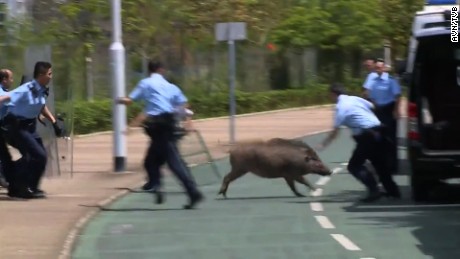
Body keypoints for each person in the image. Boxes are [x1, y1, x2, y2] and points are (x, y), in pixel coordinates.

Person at [118, 61, 204, 209]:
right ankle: (156, 185)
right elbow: (183, 104)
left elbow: (130, 101)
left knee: (174, 162)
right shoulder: (171, 86)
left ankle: (192, 191)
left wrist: (118, 99)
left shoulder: (146, 83)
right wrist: (188, 121)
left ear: (149, 70)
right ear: (161, 70)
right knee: (150, 161)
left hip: (159, 126)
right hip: (168, 124)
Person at [316, 83, 401, 202]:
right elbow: (373, 106)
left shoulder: (341, 106)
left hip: (367, 136)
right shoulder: (355, 98)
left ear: (333, 94)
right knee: (379, 164)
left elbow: (335, 131)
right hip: (379, 131)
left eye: (330, 95)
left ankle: (374, 190)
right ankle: (393, 192)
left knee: (354, 166)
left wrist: (324, 144)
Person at [0, 62, 63, 199]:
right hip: (17, 127)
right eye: (49, 74)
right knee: (37, 156)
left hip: (30, 127)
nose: (51, 77)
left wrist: (54, 122)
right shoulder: (26, 89)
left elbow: (41, 105)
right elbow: (8, 97)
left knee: (41, 158)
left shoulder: (40, 89)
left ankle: (30, 188)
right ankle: (17, 183)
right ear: (41, 75)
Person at [363, 60, 402, 174]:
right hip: (378, 110)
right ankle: (381, 165)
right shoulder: (373, 81)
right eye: (376, 68)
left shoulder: (391, 81)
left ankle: (393, 166)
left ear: (384, 68)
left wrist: (396, 109)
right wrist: (373, 106)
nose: (378, 69)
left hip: (389, 109)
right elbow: (370, 96)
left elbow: (397, 96)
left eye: (380, 67)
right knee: (378, 138)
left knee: (390, 139)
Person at [0, 69, 15, 189]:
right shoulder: (2, 92)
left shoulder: (4, 91)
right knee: (4, 156)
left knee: (4, 155)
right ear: (4, 79)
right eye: (11, 78)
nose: (12, 81)